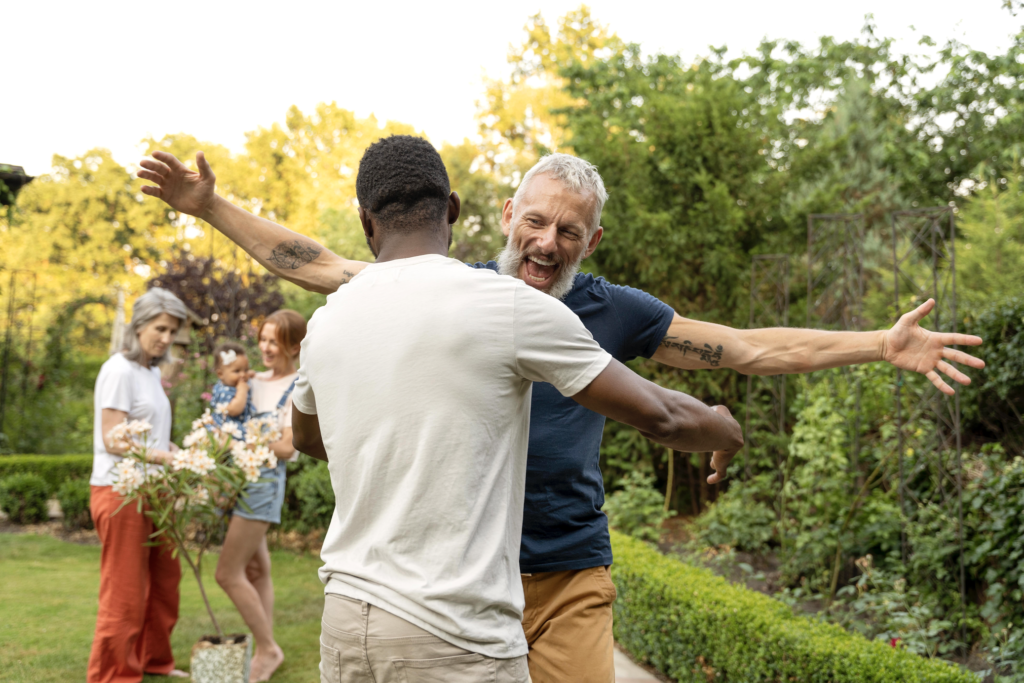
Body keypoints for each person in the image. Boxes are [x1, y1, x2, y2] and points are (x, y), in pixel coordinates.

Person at [138, 148, 986, 683]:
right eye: (536, 220)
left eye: (570, 231)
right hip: (466, 576)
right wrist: (210, 206)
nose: (547, 241)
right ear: (504, 217)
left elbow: (749, 349)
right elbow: (316, 263)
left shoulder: (617, 312)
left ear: (594, 243)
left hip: (566, 569)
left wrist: (879, 343)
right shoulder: (446, 290)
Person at [287, 134, 742, 682]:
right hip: (455, 630)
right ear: (454, 208)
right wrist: (723, 428)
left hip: (347, 623)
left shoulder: (328, 320)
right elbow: (662, 416)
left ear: (366, 221)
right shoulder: (507, 305)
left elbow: (310, 440)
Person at [89, 287, 190, 683]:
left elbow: (150, 434)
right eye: (160, 328)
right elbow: (113, 437)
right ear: (139, 325)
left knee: (166, 587)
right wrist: (162, 456)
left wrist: (175, 450)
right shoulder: (118, 370)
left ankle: (155, 662)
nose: (166, 338)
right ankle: (113, 675)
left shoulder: (150, 372)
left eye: (173, 331)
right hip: (121, 493)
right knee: (125, 593)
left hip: (156, 491)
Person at [213, 309, 306, 682]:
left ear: (295, 346)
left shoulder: (299, 386)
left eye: (274, 341)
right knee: (256, 569)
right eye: (263, 339)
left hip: (263, 485)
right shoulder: (251, 380)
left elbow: (287, 449)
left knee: (227, 572)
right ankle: (263, 645)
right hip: (240, 480)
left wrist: (248, 436)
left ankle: (267, 649)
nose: (265, 348)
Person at [208, 340, 255, 437]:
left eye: (245, 369)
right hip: (229, 433)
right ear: (220, 374)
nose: (243, 375)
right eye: (237, 371)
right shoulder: (224, 391)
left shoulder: (231, 383)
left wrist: (249, 374)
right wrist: (242, 390)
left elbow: (243, 374)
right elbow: (234, 410)